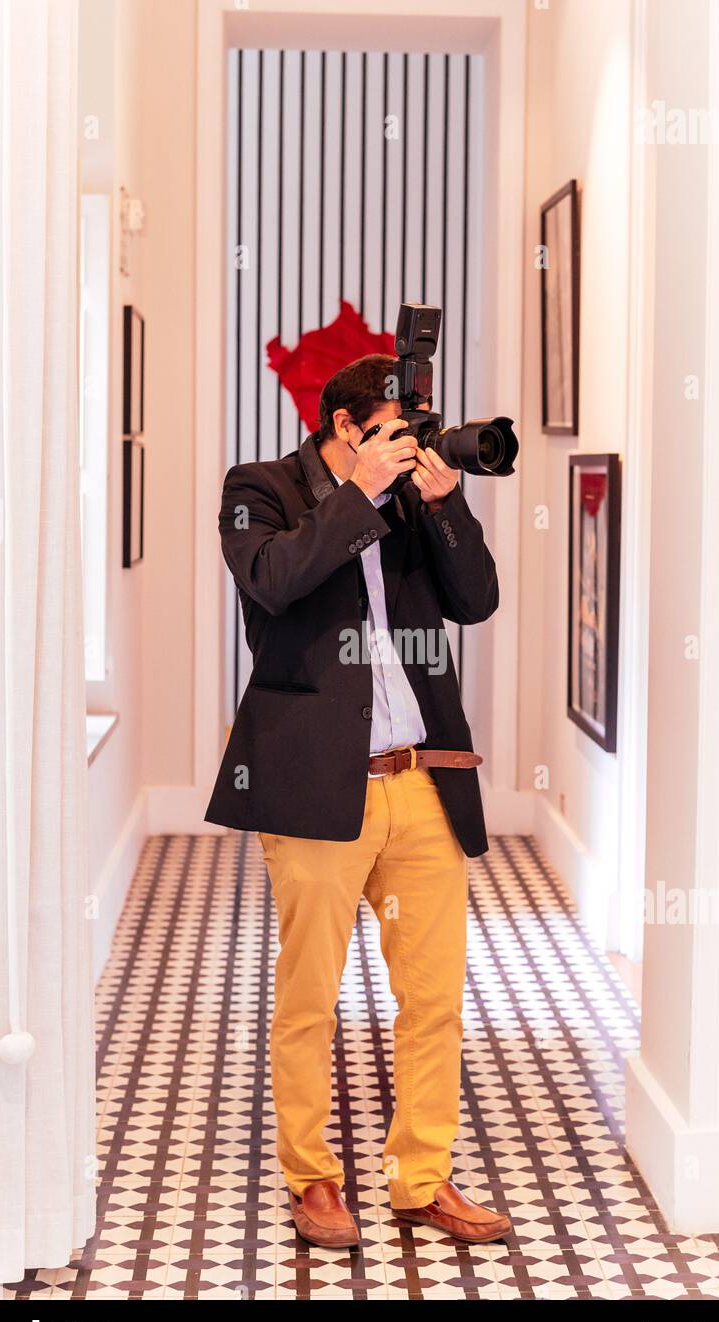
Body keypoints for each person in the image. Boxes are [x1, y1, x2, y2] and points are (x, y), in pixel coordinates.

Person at [205, 354, 512, 1248]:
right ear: (348, 426)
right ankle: (314, 1181)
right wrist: (359, 496)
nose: (408, 443)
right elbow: (271, 580)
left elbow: (478, 600)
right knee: (310, 997)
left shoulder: (418, 500)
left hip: (421, 777)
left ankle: (422, 1178)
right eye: (391, 427)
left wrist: (444, 501)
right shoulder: (259, 487)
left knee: (434, 997)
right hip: (314, 783)